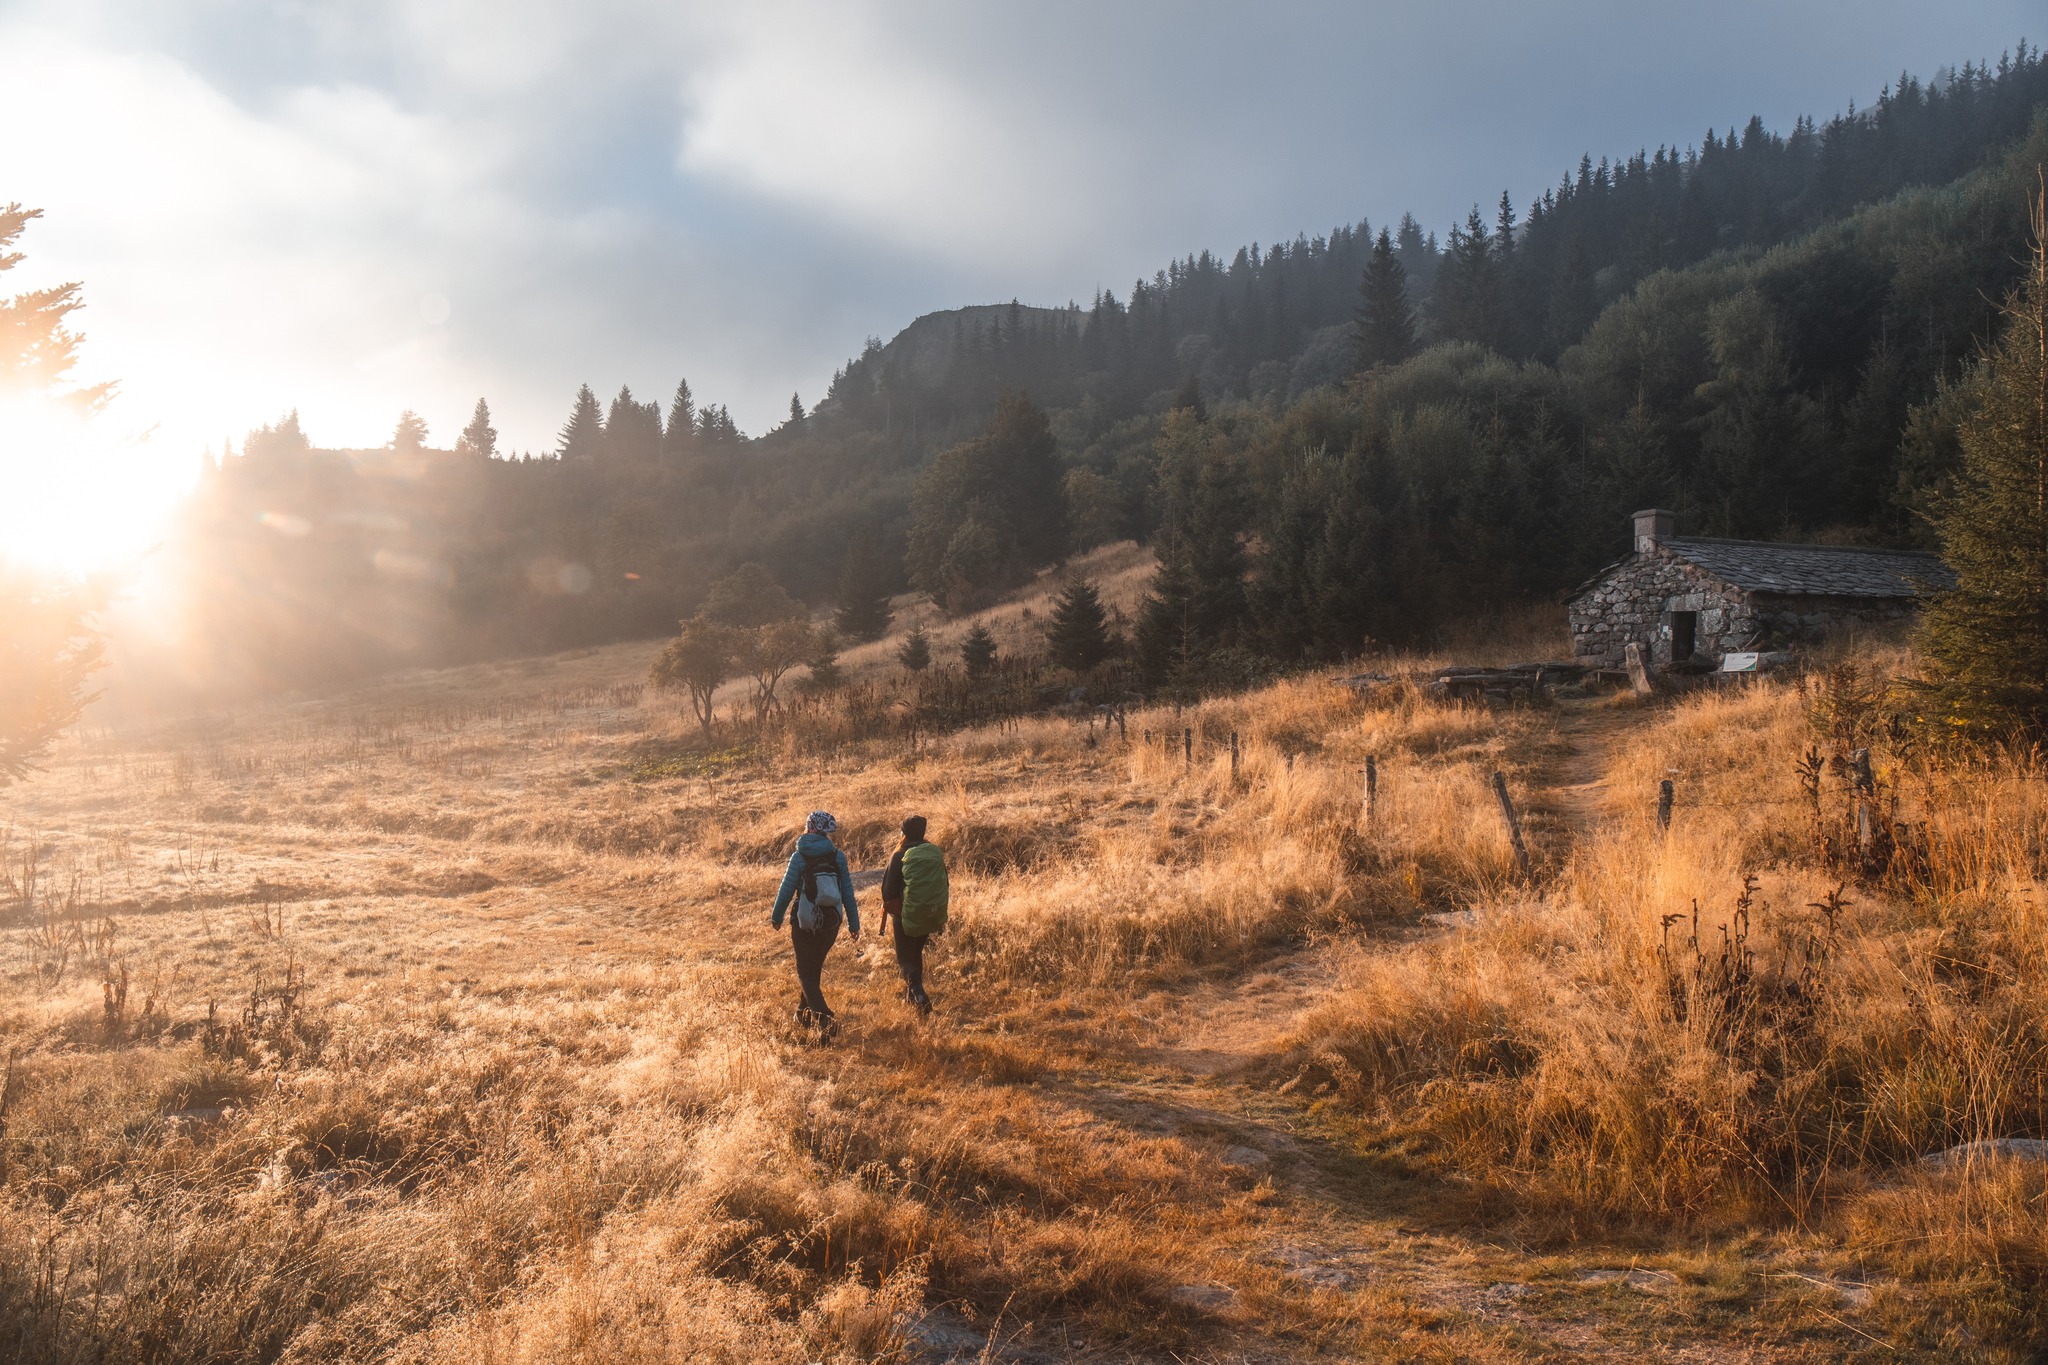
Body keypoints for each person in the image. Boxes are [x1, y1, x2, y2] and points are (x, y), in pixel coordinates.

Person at [770, 810, 860, 1035]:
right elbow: (847, 892)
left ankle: (825, 1020)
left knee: (805, 972)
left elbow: (786, 890)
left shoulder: (799, 856)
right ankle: (803, 1014)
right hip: (830, 922)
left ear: (809, 828)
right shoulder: (837, 856)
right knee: (814, 969)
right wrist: (854, 924)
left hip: (804, 922)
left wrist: (777, 917)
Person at [880, 814, 948, 1016]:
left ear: (904, 833)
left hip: (904, 916)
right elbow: (944, 882)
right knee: (916, 953)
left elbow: (887, 891)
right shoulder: (932, 852)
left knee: (904, 960)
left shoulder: (899, 854)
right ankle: (914, 998)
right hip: (930, 913)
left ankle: (918, 994)